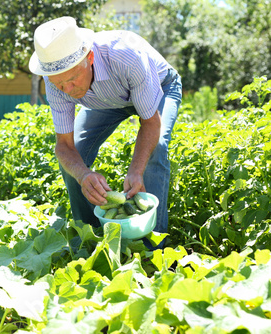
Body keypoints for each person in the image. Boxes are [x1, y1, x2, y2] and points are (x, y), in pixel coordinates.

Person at [29, 16, 182, 248]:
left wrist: (136, 170)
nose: (67, 90)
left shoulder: (126, 56)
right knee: (75, 157)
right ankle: (92, 236)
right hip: (106, 101)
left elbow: (150, 123)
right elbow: (64, 147)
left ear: (89, 58)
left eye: (72, 80)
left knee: (155, 150)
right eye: (60, 84)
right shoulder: (56, 80)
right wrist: (83, 175)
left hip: (160, 85)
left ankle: (153, 246)